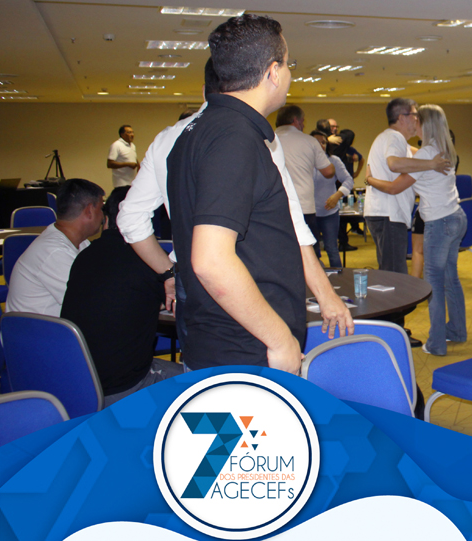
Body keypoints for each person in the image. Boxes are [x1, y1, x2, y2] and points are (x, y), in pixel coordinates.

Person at [117, 58, 351, 353]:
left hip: (192, 284)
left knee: (204, 370)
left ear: (205, 91)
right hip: (251, 286)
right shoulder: (253, 136)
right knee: (261, 370)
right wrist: (325, 295)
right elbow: (294, 225)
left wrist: (169, 272)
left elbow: (130, 218)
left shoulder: (168, 138)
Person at [166, 13, 352, 374]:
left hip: (223, 343)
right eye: (288, 64)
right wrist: (279, 339)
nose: (289, 74)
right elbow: (211, 261)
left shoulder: (199, 131)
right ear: (273, 72)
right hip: (245, 352)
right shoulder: (234, 139)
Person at [61, 186, 183, 406]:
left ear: (106, 218)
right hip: (125, 387)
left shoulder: (84, 256)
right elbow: (180, 304)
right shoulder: (152, 262)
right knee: (208, 384)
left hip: (80, 383)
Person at [364, 105, 468, 356]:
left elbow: (394, 187)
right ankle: (457, 330)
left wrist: (369, 179)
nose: (413, 124)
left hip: (440, 223)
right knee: (450, 278)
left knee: (433, 283)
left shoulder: (427, 155)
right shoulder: (443, 148)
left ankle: (436, 343)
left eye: (417, 120)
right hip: (456, 217)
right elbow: (411, 154)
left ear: (425, 124)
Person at [6, 178, 104, 317]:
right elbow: (94, 301)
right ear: (89, 211)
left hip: (55, 326)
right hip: (37, 330)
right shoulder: (54, 252)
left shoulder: (79, 242)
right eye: (101, 209)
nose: (103, 216)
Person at [275, 104, 337, 262]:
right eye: (302, 121)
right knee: (309, 255)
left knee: (280, 253)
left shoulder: (266, 140)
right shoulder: (309, 141)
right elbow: (328, 172)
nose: (303, 125)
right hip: (303, 206)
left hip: (275, 207)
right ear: (296, 121)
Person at [310, 129, 355, 267]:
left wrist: (337, 195)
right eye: (317, 142)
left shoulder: (333, 161)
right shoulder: (303, 162)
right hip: (309, 213)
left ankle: (338, 278)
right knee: (312, 252)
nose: (321, 145)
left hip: (329, 213)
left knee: (332, 249)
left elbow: (348, 180)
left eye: (323, 142)